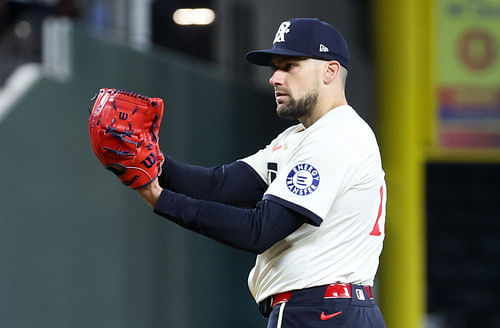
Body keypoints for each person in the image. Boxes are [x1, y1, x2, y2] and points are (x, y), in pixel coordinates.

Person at [137, 17, 387, 328]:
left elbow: (260, 230)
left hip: (319, 313)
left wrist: (160, 199)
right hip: (333, 310)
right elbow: (222, 184)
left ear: (330, 71)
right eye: (274, 68)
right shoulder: (300, 137)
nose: (275, 78)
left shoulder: (335, 135)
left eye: (290, 66)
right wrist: (151, 161)